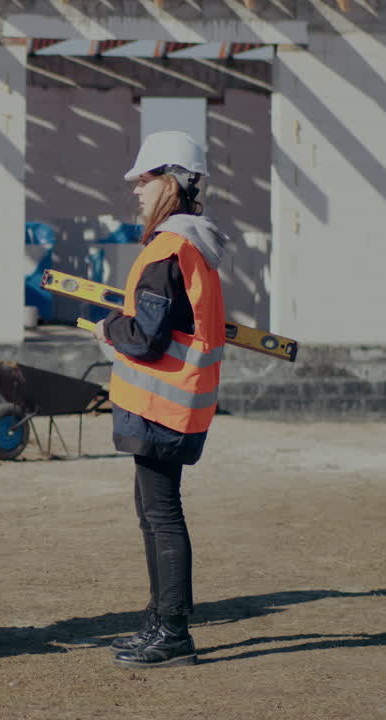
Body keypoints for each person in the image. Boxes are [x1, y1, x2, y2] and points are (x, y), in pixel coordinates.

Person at [93, 131, 228, 669]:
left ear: (169, 183)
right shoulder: (195, 248)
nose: (137, 190)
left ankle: (172, 633)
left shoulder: (168, 249)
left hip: (160, 406)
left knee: (161, 516)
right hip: (178, 403)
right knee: (153, 514)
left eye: (144, 180)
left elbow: (146, 337)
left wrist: (108, 329)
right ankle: (159, 621)